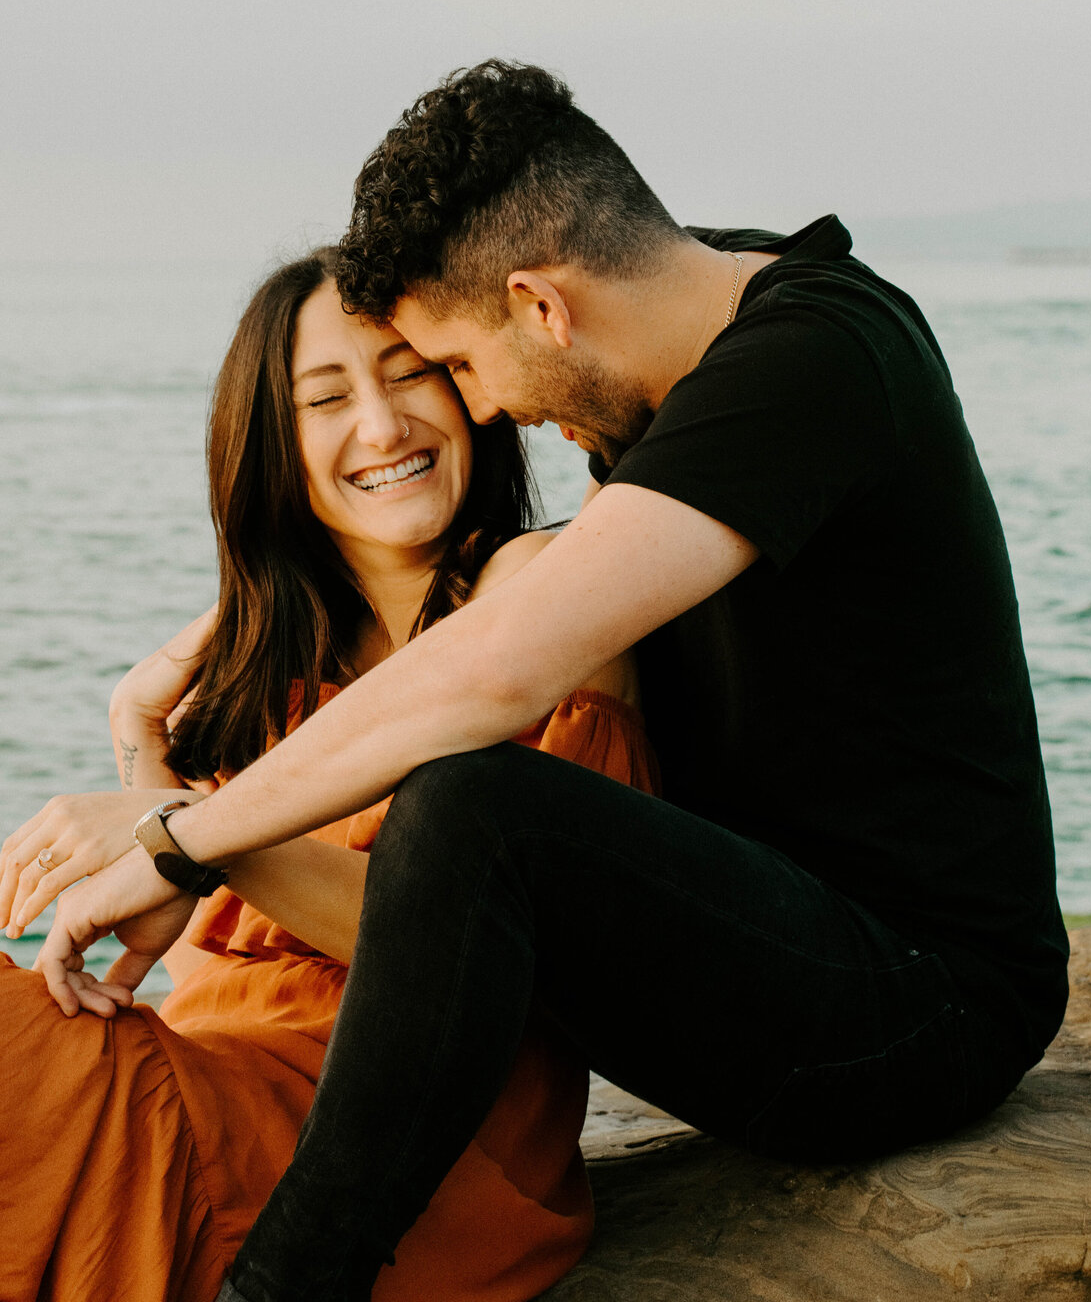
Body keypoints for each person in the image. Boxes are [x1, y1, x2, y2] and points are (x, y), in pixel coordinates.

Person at [27, 62, 1068, 1302]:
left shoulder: (810, 362)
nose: (482, 411)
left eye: (454, 367)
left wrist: (180, 843)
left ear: (542, 305)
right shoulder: (678, 316)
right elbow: (505, 601)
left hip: (922, 1010)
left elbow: (501, 663)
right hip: (755, 946)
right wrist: (260, 605)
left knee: (476, 809)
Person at [0, 245, 655, 1302]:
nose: (384, 426)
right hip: (215, 1097)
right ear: (274, 444)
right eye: (327, 398)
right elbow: (199, 971)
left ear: (465, 390)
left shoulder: (537, 598)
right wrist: (139, 729)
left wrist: (183, 832)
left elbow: (480, 955)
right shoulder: (275, 670)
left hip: (400, 1156)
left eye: (408, 374)